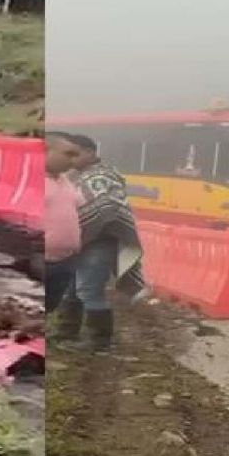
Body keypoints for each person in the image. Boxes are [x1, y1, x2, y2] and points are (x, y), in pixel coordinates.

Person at [54, 133, 147, 350]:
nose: (71, 160)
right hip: (84, 240)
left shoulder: (100, 177)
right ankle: (66, 332)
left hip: (99, 241)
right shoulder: (80, 175)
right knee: (72, 287)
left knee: (88, 289)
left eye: (74, 154)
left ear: (89, 152)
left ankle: (100, 341)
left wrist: (80, 234)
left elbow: (104, 213)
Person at [43, 133, 85, 314]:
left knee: (50, 307)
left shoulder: (65, 181)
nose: (73, 161)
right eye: (68, 154)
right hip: (41, 261)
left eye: (75, 156)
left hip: (65, 260)